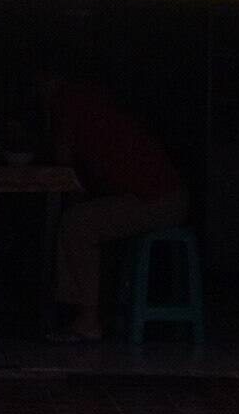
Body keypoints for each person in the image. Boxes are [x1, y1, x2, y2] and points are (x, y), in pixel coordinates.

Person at [40, 71, 188, 342]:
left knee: (76, 224)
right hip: (163, 197)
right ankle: (91, 312)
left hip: (157, 200)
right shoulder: (97, 98)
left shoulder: (69, 99)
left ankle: (87, 320)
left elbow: (61, 156)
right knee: (83, 219)